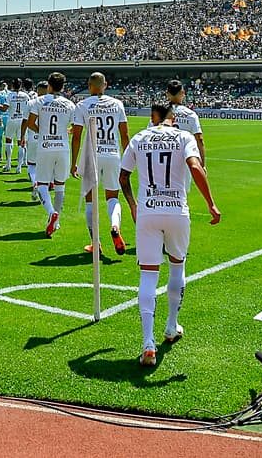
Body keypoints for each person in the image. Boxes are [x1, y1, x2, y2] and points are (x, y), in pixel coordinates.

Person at [119, 102, 221, 368]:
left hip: (148, 213)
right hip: (177, 211)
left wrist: (132, 205)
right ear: (173, 118)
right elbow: (195, 167)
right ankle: (171, 326)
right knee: (177, 267)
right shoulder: (183, 136)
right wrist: (210, 203)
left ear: (154, 119)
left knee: (148, 274)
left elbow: (123, 175)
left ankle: (147, 343)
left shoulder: (141, 137)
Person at [70, 71, 131, 255]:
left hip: (92, 156)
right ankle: (115, 226)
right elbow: (125, 135)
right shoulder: (117, 104)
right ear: (105, 85)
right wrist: (128, 161)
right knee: (112, 197)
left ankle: (95, 242)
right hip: (112, 154)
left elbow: (77, 136)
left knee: (90, 200)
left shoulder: (82, 105)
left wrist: (74, 162)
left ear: (89, 86)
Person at [20, 72, 75, 238]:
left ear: (49, 85)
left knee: (42, 184)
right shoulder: (70, 104)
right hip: (63, 147)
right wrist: (64, 131)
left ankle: (51, 212)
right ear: (62, 87)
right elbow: (75, 127)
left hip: (45, 146)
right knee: (60, 185)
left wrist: (42, 131)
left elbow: (30, 123)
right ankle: (56, 222)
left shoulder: (38, 101)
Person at [166, 79, 206, 167]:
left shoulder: (159, 114)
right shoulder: (191, 114)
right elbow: (199, 139)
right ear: (183, 93)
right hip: (183, 160)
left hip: (162, 160)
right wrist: (202, 165)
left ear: (167, 94)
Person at [2, 78, 28, 172]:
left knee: (8, 141)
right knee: (21, 143)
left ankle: (8, 164)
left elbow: (4, 109)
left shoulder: (10, 95)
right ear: (21, 86)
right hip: (22, 121)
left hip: (12, 120)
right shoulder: (25, 95)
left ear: (12, 85)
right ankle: (19, 167)